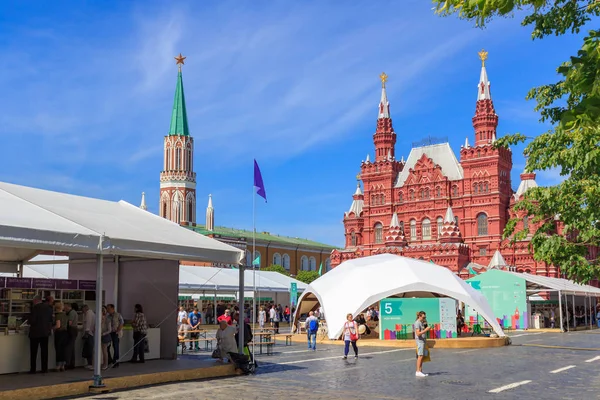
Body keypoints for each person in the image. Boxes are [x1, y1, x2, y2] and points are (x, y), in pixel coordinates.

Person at [28, 295, 53, 374]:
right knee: (44, 352)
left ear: (35, 300)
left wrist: (28, 320)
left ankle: (33, 369)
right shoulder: (49, 308)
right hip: (45, 333)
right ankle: (44, 369)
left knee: (33, 352)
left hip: (35, 333)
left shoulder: (35, 308)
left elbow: (33, 320)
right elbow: (51, 320)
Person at [52, 301, 69, 372]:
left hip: (59, 333)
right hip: (65, 333)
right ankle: (63, 365)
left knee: (58, 349)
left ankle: (58, 366)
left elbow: (58, 325)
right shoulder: (65, 315)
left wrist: (52, 328)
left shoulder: (58, 315)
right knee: (63, 349)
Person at [414, 311, 431, 377]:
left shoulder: (422, 323)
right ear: (419, 316)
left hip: (423, 341)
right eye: (423, 317)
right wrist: (426, 330)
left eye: (425, 317)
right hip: (420, 341)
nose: (424, 318)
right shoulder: (417, 323)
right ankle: (417, 371)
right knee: (420, 356)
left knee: (422, 356)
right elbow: (418, 333)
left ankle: (420, 371)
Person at [64, 303, 79, 370]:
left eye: (65, 307)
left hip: (71, 330)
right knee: (71, 347)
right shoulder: (73, 312)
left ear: (68, 307)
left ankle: (68, 363)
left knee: (68, 348)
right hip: (74, 330)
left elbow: (69, 323)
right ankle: (72, 363)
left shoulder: (71, 313)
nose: (64, 309)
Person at [82, 304, 95, 370]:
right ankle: (89, 363)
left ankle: (90, 363)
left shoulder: (88, 314)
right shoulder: (89, 313)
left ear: (85, 308)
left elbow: (88, 324)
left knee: (89, 348)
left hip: (89, 334)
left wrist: (86, 334)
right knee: (87, 349)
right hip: (89, 333)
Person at [100, 306, 112, 370]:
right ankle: (104, 363)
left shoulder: (107, 319)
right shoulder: (99, 319)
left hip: (105, 336)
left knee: (105, 351)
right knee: (103, 351)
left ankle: (106, 364)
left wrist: (103, 334)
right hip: (101, 336)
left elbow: (109, 330)